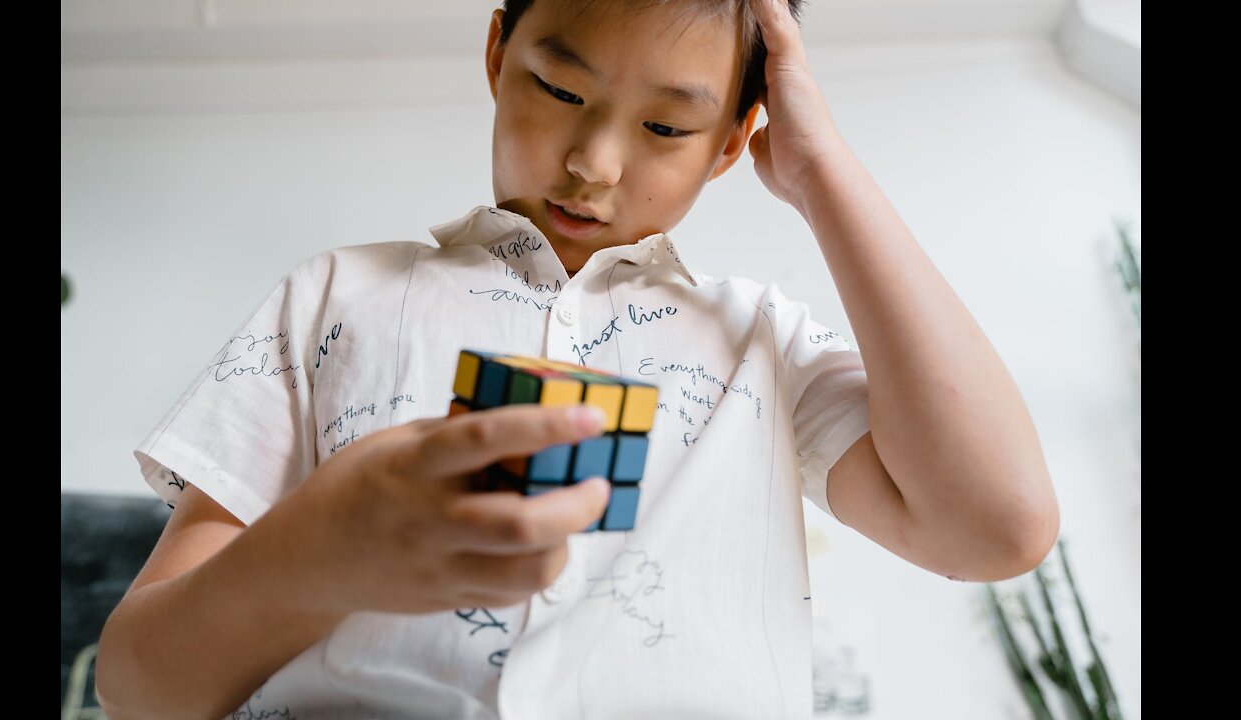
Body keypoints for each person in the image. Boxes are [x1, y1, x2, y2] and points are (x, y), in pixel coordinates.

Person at [95, 0, 1060, 718]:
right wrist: (320, 553)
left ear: (732, 145)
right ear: (495, 52)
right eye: (560, 89)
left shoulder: (761, 342)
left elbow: (996, 527)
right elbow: (141, 686)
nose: (594, 161)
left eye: (667, 127)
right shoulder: (331, 299)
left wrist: (822, 172)